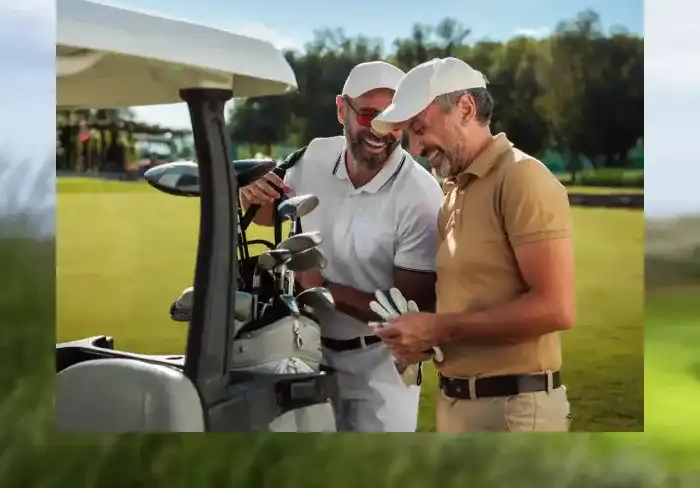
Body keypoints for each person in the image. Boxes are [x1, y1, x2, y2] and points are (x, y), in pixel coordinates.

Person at [369, 56, 575, 433]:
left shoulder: (521, 177)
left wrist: (439, 328)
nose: (415, 147)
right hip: (457, 405)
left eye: (420, 129)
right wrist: (420, 338)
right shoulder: (453, 190)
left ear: (465, 108)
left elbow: (556, 308)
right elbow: (468, 302)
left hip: (514, 411)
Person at [239, 60, 444, 432]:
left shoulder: (421, 195)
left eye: (393, 118)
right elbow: (270, 214)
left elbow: (411, 311)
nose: (379, 130)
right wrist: (250, 192)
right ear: (341, 110)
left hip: (380, 368)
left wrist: (321, 289)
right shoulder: (315, 155)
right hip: (303, 351)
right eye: (367, 115)